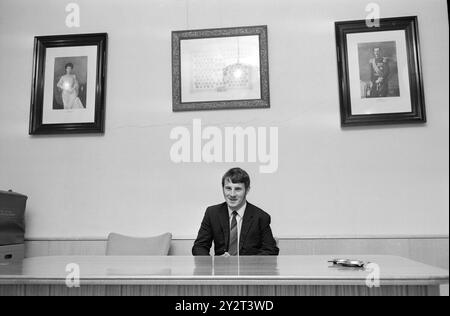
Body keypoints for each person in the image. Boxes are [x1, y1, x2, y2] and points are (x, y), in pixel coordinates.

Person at [192, 168, 279, 256]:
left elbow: (270, 250)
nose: (232, 194)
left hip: (249, 269)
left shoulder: (260, 217)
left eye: (238, 189)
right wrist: (214, 262)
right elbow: (199, 247)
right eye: (228, 188)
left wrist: (243, 263)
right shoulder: (212, 213)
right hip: (221, 268)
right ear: (223, 189)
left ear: (247, 190)